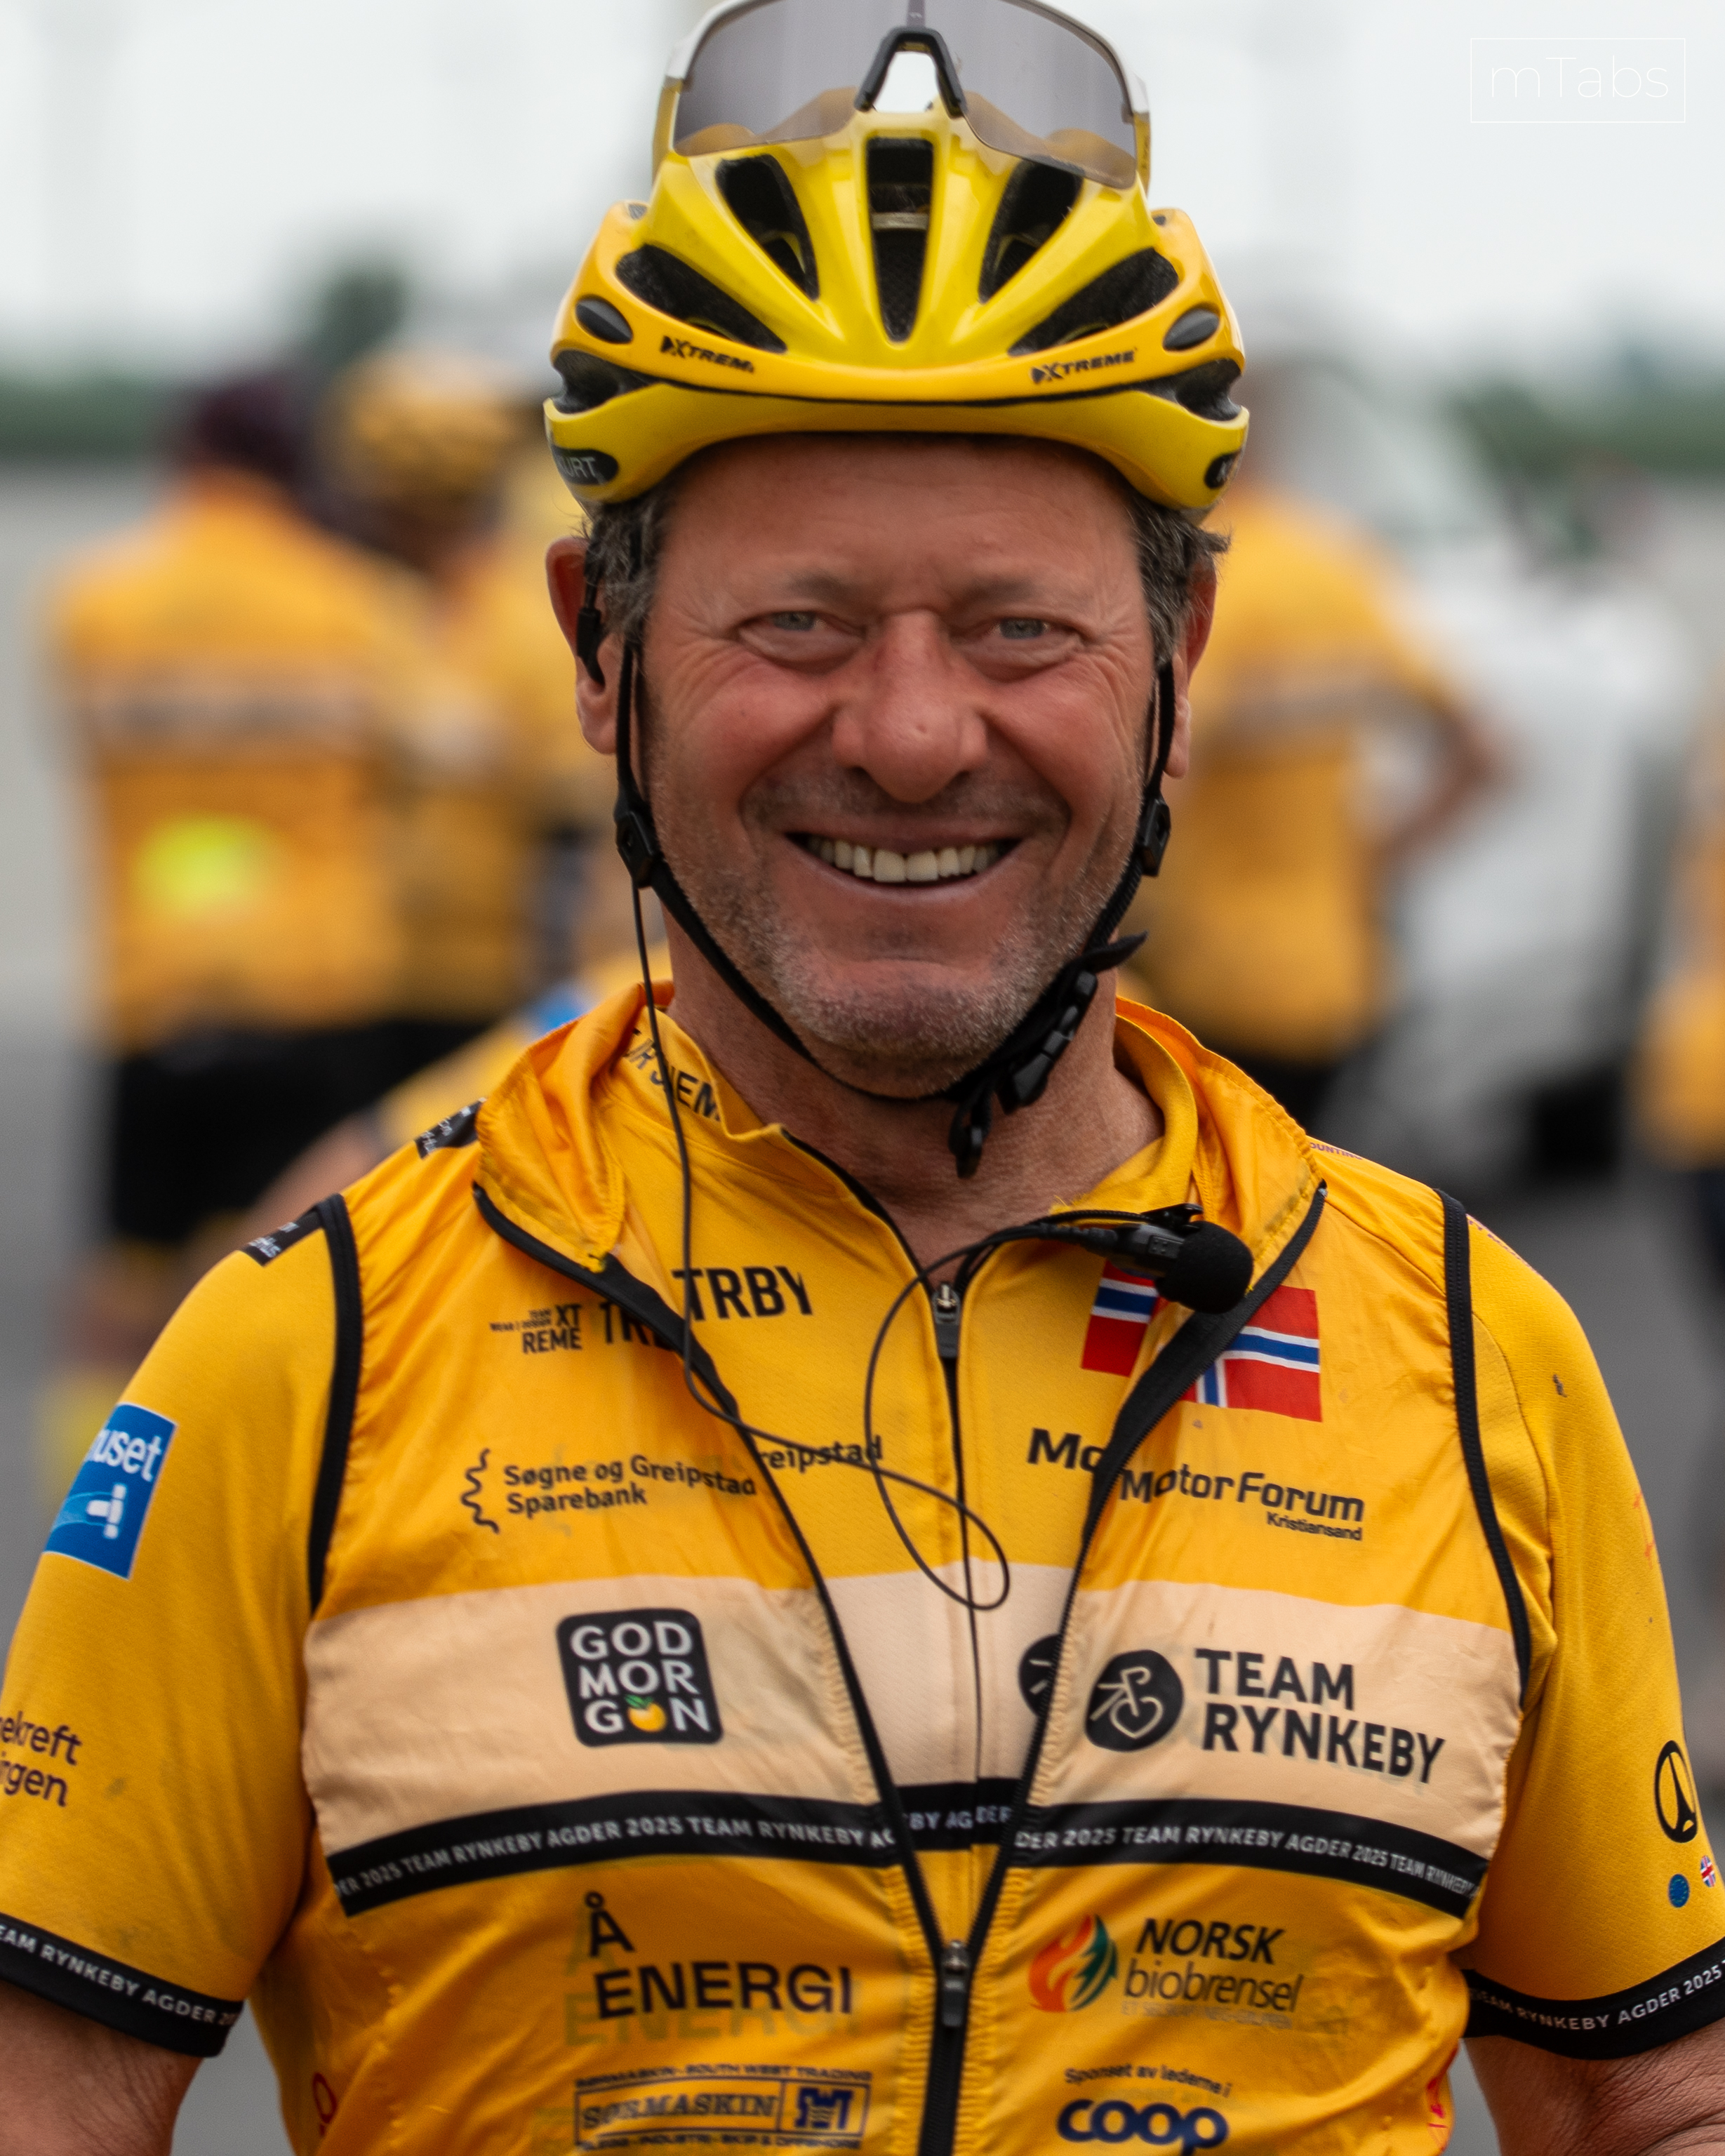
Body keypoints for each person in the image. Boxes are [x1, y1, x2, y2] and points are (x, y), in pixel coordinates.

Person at [2, 8, 1721, 2153]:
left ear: (1181, 665)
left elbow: (1651, 2105)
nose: (910, 736)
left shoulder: (1477, 1360)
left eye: (1019, 632)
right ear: (600, 653)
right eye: (799, 626)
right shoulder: (303, 1357)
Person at [38, 371, 427, 1496]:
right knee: (299, 1281)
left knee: (123, 1286)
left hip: (154, 983)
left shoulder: (92, 598)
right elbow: (409, 770)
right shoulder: (361, 603)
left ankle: (92, 1521)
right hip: (317, 983)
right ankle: (264, 1513)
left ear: (187, 458)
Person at [1126, 469, 1499, 1130]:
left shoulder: (1215, 575)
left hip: (1212, 977)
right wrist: (1379, 855)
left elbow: (1171, 767)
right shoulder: (1336, 566)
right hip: (1341, 973)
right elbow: (1484, 753)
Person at [317, 348, 611, 1059]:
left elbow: (570, 811)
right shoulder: (368, 609)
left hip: (484, 980)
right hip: (364, 974)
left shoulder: (513, 620)